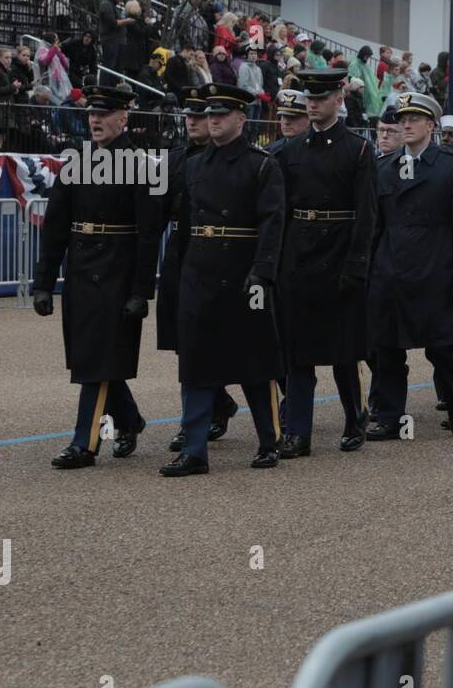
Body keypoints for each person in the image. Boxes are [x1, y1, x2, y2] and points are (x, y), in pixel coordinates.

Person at [31, 86, 162, 469]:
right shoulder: (75, 162)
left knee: (98, 357)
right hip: (80, 270)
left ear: (124, 119)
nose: (95, 120)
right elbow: (55, 227)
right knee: (91, 357)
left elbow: (148, 234)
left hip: (117, 273)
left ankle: (84, 443)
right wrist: (43, 283)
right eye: (91, 114)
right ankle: (130, 419)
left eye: (104, 114)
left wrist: (142, 290)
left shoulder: (141, 166)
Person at [160, 83, 287, 476]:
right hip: (199, 271)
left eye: (221, 115)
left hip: (243, 273)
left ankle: (270, 439)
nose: (212, 121)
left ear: (240, 119)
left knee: (255, 361)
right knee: (195, 364)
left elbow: (272, 223)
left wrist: (263, 273)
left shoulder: (262, 164)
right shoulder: (195, 165)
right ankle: (195, 449)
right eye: (208, 114)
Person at [276, 70, 378, 457]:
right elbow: (282, 209)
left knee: (343, 351)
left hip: (338, 255)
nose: (313, 104)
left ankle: (355, 417)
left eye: (321, 97)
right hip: (299, 256)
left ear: (339, 99)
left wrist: (357, 263)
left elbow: (367, 213)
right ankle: (298, 432)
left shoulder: (357, 149)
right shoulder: (291, 149)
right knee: (297, 351)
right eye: (309, 98)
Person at [365, 91, 453, 441]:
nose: (407, 125)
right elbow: (374, 225)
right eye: (403, 120)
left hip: (435, 269)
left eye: (414, 119)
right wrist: (368, 269)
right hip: (391, 269)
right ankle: (390, 417)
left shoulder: (451, 164)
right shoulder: (384, 166)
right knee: (386, 349)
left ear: (432, 125)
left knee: (441, 346)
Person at [155, 86, 240, 453]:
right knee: (183, 343)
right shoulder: (172, 159)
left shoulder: (227, 159)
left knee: (234, 341)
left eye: (199, 115)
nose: (191, 121)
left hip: (219, 253)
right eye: (187, 116)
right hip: (180, 252)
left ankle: (277, 406)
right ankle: (207, 412)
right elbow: (154, 216)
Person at [268, 88, 309, 152]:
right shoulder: (271, 150)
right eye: (284, 117)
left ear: (309, 119)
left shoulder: (318, 151)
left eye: (293, 117)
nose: (286, 122)